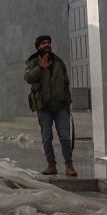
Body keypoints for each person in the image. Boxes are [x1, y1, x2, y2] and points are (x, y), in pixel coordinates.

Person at [23, 34, 76, 177]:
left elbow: (65, 84)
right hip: (43, 107)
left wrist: (68, 104)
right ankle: (51, 164)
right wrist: (40, 67)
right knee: (47, 138)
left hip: (60, 107)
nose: (47, 45)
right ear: (38, 46)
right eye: (43, 43)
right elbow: (28, 78)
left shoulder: (59, 62)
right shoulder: (33, 62)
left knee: (65, 137)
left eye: (48, 43)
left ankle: (69, 165)